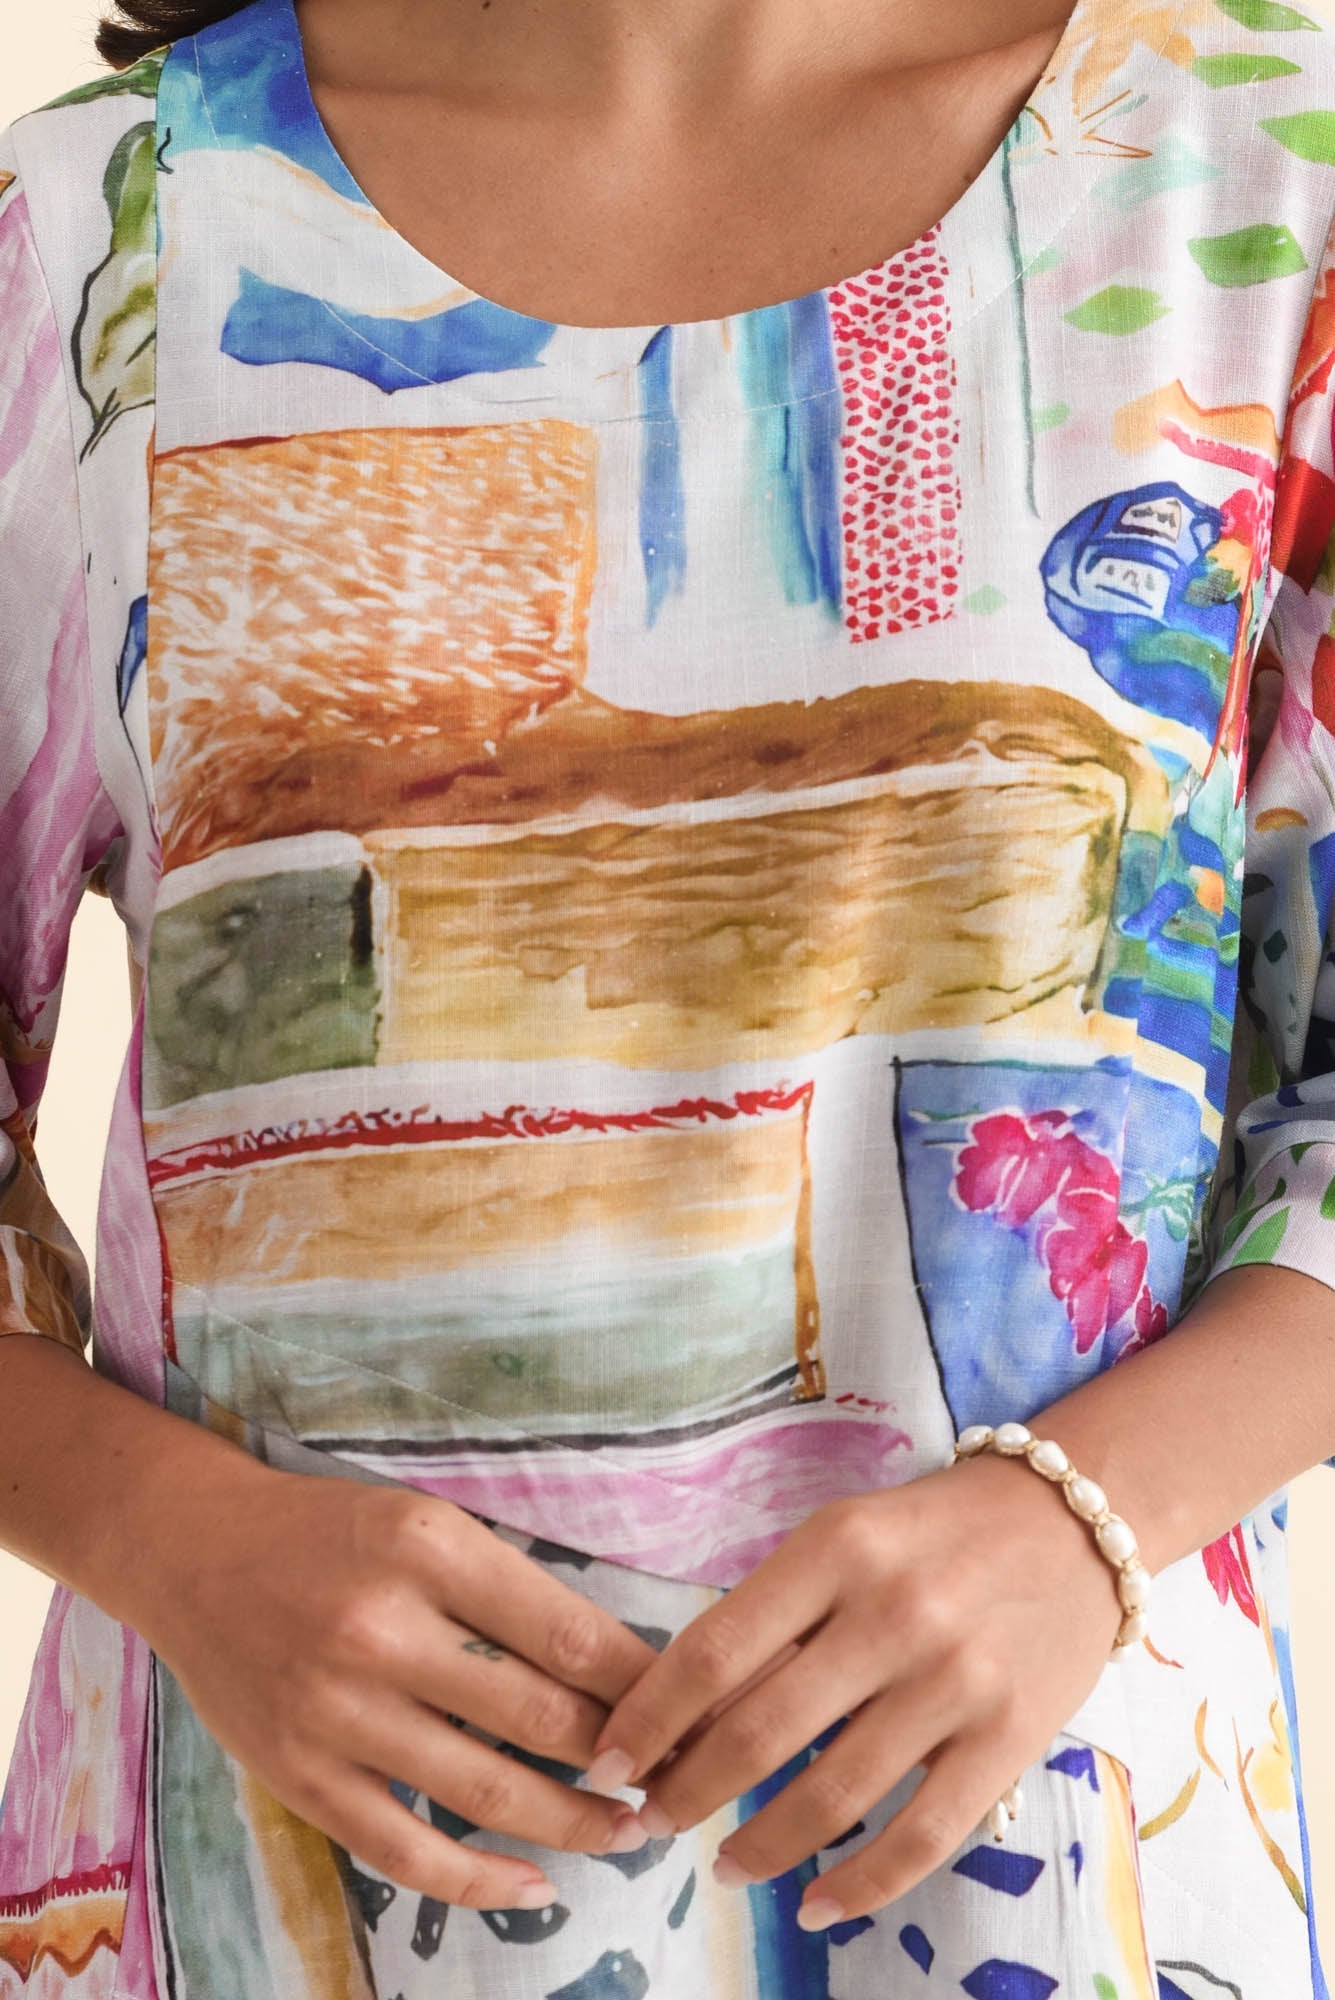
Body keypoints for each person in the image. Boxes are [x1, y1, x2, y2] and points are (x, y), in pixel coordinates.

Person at [3, 0, 1335, 1988]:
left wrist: (1089, 1513)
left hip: (1061, 1889)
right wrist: (156, 1533)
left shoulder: (1259, 176)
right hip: (266, 1909)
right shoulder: (90, 239)